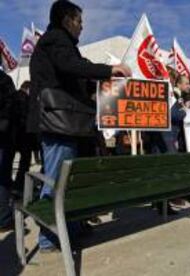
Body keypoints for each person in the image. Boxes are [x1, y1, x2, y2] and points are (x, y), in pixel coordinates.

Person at [28, 0, 131, 251]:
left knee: (67, 181)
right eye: (79, 21)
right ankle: (49, 238)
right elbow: (71, 66)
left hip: (66, 124)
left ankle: (70, 229)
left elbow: (73, 74)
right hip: (57, 124)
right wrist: (110, 70)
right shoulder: (56, 40)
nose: (82, 27)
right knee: (56, 180)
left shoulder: (63, 44)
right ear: (67, 20)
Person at [10, 81, 34, 194]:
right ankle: (20, 185)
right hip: (24, 134)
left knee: (8, 161)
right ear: (28, 89)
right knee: (24, 161)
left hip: (11, 134)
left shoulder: (12, 96)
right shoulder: (27, 99)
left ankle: (9, 185)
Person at [0, 70, 15, 232]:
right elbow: (11, 108)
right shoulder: (4, 80)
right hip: (3, 136)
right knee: (3, 178)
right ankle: (3, 219)